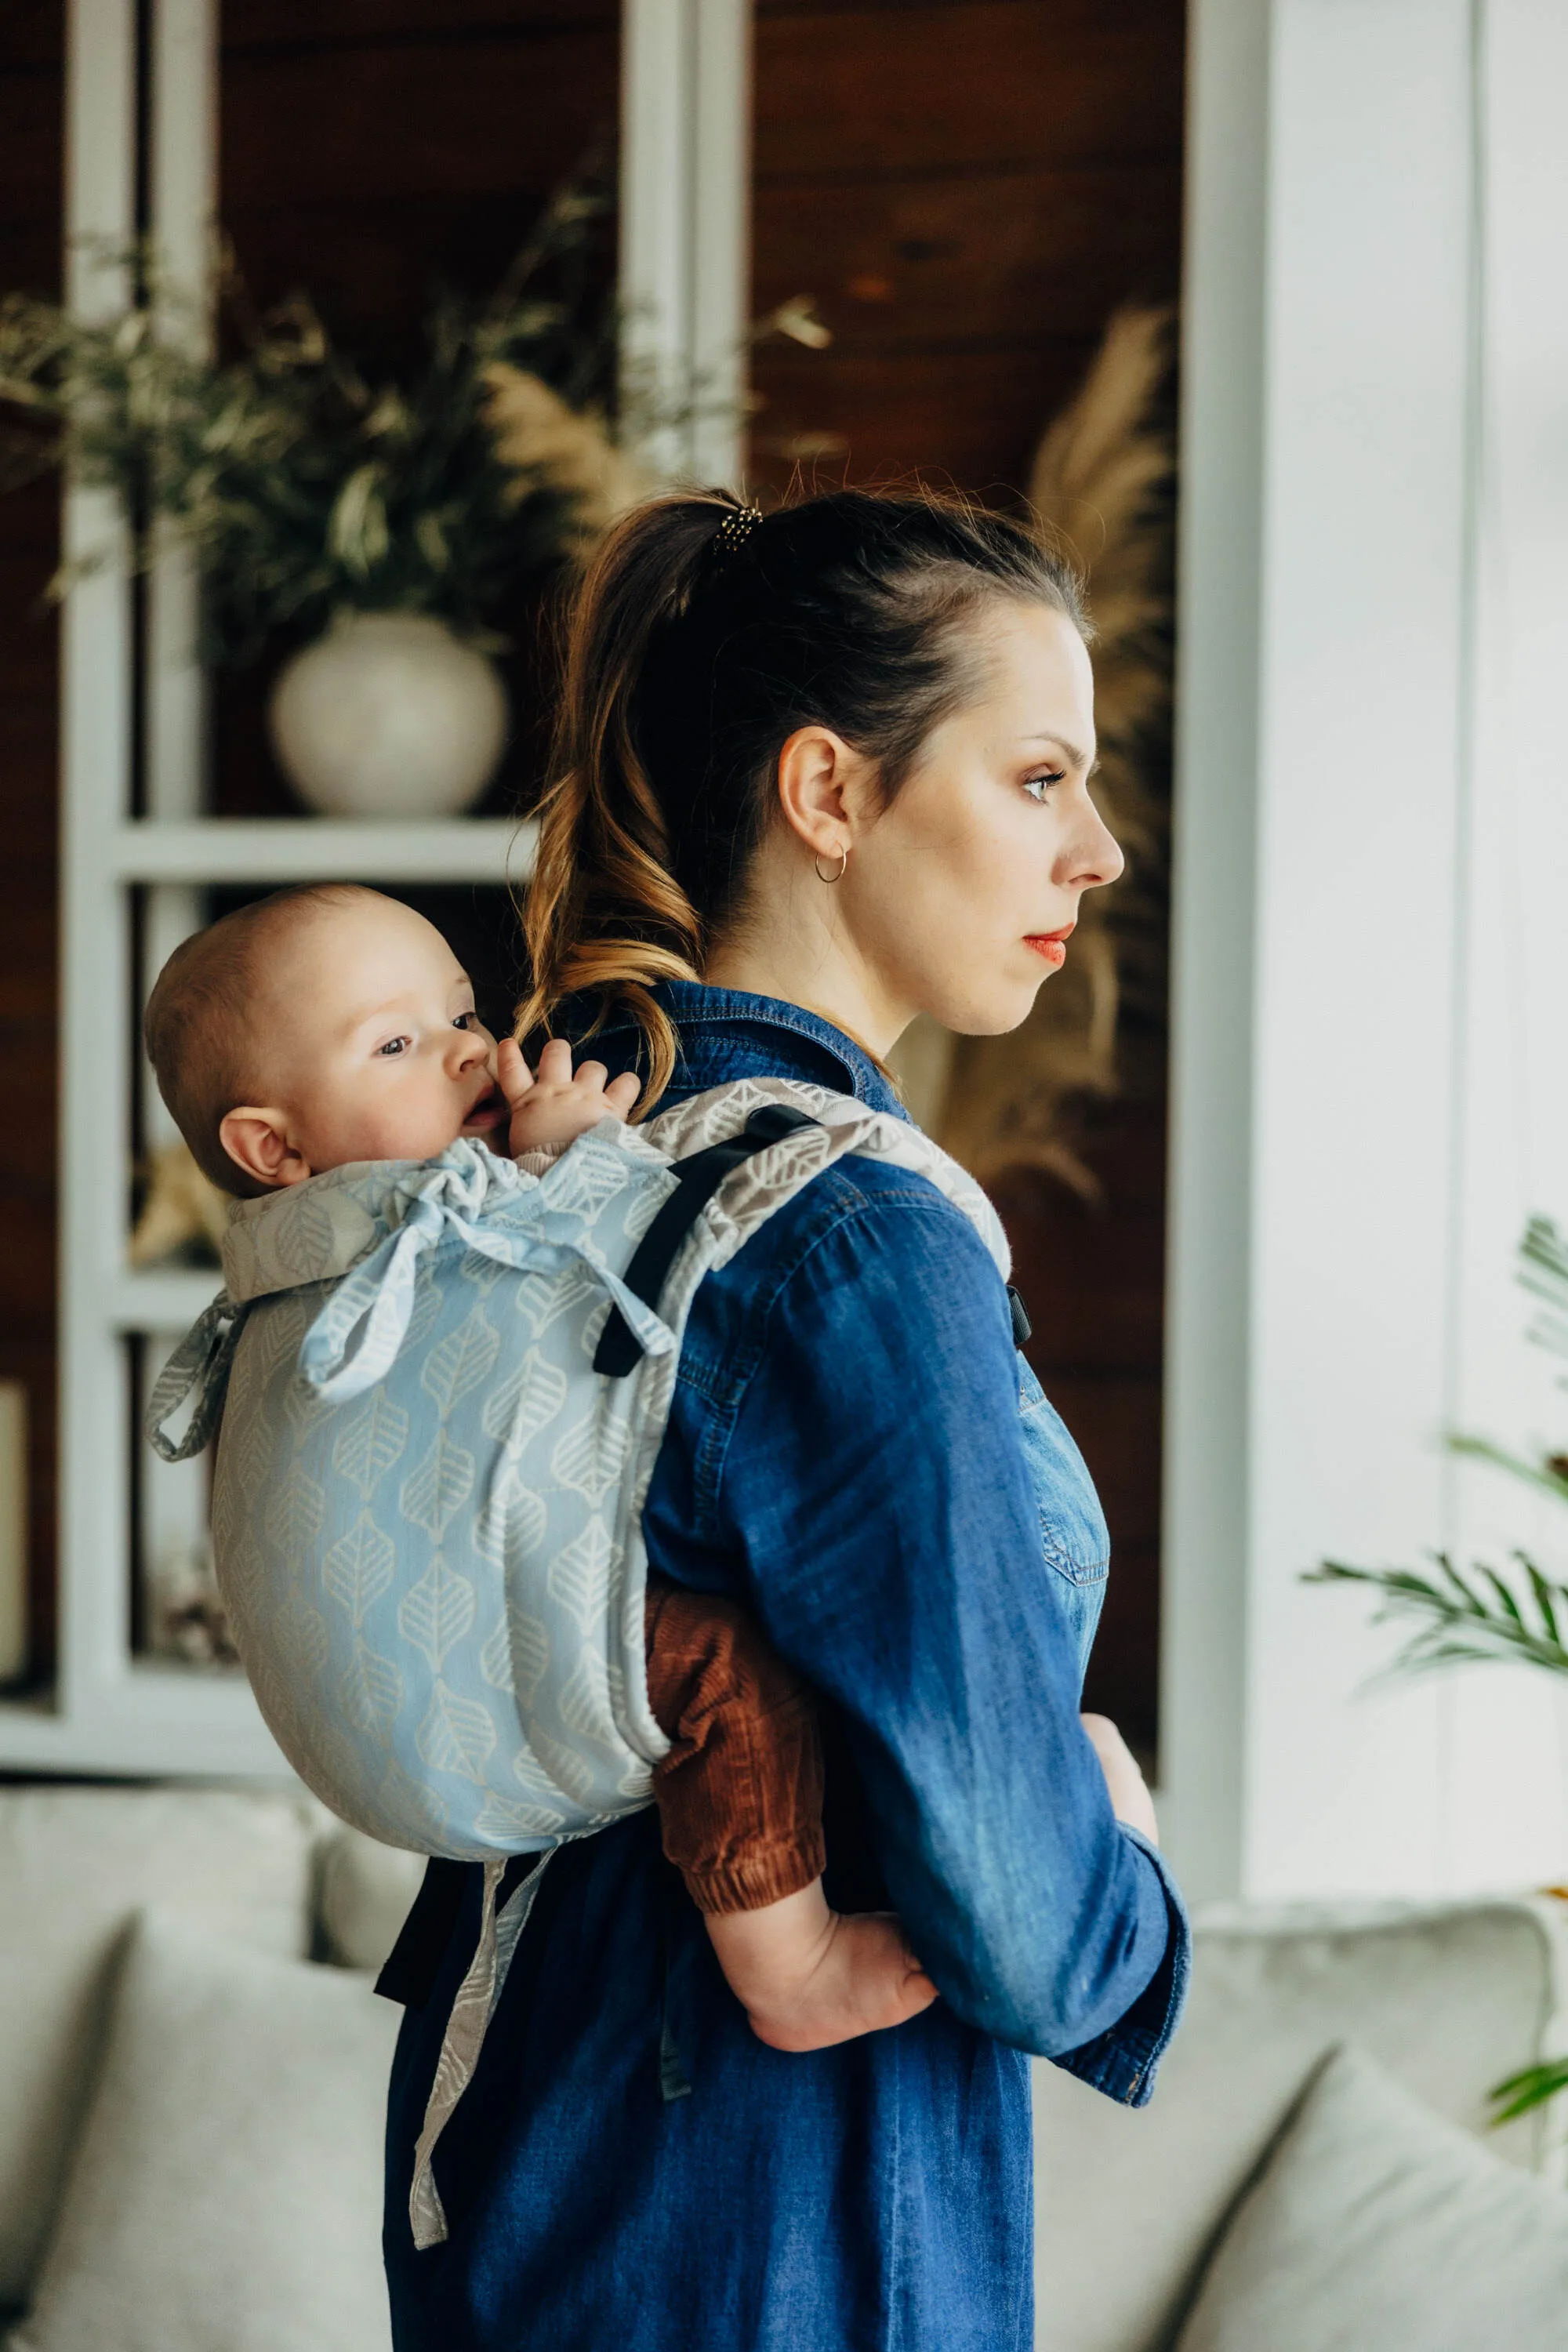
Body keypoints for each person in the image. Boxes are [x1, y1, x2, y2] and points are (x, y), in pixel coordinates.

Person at [381, 487, 1191, 2352]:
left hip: (516, 2146)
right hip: (779, 2215)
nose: (1102, 854)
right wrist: (1125, 1868)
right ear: (829, 794)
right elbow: (1008, 1902)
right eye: (1040, 779)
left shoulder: (548, 1155)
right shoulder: (852, 1235)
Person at [142, 883, 938, 2051]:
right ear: (275, 1148)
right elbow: (609, 1297)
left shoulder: (286, 1281)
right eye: (398, 1043)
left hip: (436, 1676)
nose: (472, 1054)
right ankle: (790, 1962)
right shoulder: (408, 1245)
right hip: (460, 1665)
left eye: (464, 1013)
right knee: (724, 1670)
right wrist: (582, 1164)